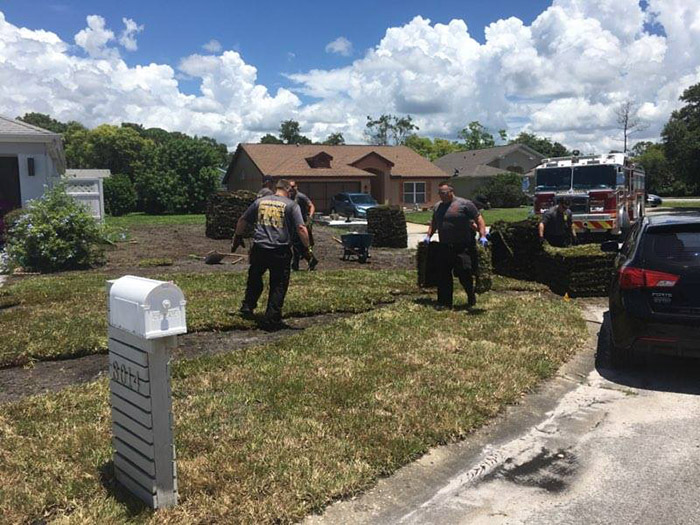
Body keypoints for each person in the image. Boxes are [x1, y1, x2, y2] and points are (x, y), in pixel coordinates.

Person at [233, 179, 311, 329]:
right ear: (288, 190)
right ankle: (272, 318)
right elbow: (301, 228)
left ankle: (248, 306)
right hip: (279, 250)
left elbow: (243, 219)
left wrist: (237, 237)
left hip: (259, 247)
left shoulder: (260, 202)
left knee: (255, 277)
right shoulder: (291, 205)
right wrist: (307, 248)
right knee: (278, 284)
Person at [425, 182, 488, 309]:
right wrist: (428, 236)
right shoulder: (438, 207)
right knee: (443, 274)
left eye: (443, 193)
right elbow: (434, 222)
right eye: (439, 193)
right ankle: (444, 302)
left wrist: (483, 235)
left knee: (464, 272)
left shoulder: (465, 204)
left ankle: (470, 294)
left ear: (451, 192)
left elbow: (479, 219)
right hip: (444, 246)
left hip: (462, 246)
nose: (441, 196)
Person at [288, 180, 318, 271]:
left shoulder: (300, 196)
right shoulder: (289, 197)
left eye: (293, 187)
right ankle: (296, 264)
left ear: (296, 186)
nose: (292, 189)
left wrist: (310, 217)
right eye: (290, 187)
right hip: (292, 225)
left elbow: (311, 205)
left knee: (300, 245)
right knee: (296, 245)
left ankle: (310, 260)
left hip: (302, 223)